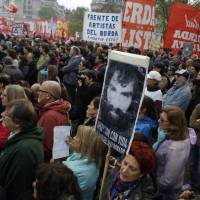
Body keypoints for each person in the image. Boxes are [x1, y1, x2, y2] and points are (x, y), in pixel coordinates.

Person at [0, 99, 44, 200]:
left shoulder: (24, 150)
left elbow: (16, 189)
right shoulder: (20, 137)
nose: (2, 115)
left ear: (18, 123)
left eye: (7, 114)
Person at [99, 60, 145, 136]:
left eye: (125, 95)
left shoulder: (137, 133)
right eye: (113, 89)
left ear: (134, 100)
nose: (115, 103)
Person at [154, 107, 191, 200]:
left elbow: (168, 180)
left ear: (173, 125)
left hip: (168, 191)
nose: (158, 121)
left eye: (162, 120)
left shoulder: (176, 149)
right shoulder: (176, 135)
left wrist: (157, 182)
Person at [63, 125, 106, 200]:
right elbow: (77, 156)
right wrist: (72, 148)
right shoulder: (92, 160)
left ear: (84, 144)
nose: (74, 138)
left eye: (77, 136)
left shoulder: (74, 171)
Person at [38, 81, 71, 161]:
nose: (38, 93)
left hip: (46, 160)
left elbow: (47, 146)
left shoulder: (50, 116)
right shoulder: (59, 109)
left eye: (40, 91)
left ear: (48, 96)